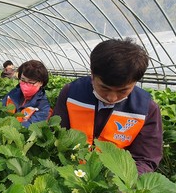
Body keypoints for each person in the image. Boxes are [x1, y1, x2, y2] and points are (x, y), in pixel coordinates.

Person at [53, 38, 163, 174]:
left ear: (135, 82)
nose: (112, 97)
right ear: (92, 74)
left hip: (114, 181)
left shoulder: (146, 109)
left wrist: (121, 183)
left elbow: (145, 158)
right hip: (70, 171)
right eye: (104, 88)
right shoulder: (72, 93)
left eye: (123, 90)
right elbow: (56, 134)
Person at [2, 60, 51, 127]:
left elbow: (29, 128)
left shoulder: (42, 106)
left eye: (30, 82)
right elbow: (0, 108)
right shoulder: (13, 93)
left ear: (41, 83)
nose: (25, 85)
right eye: (23, 80)